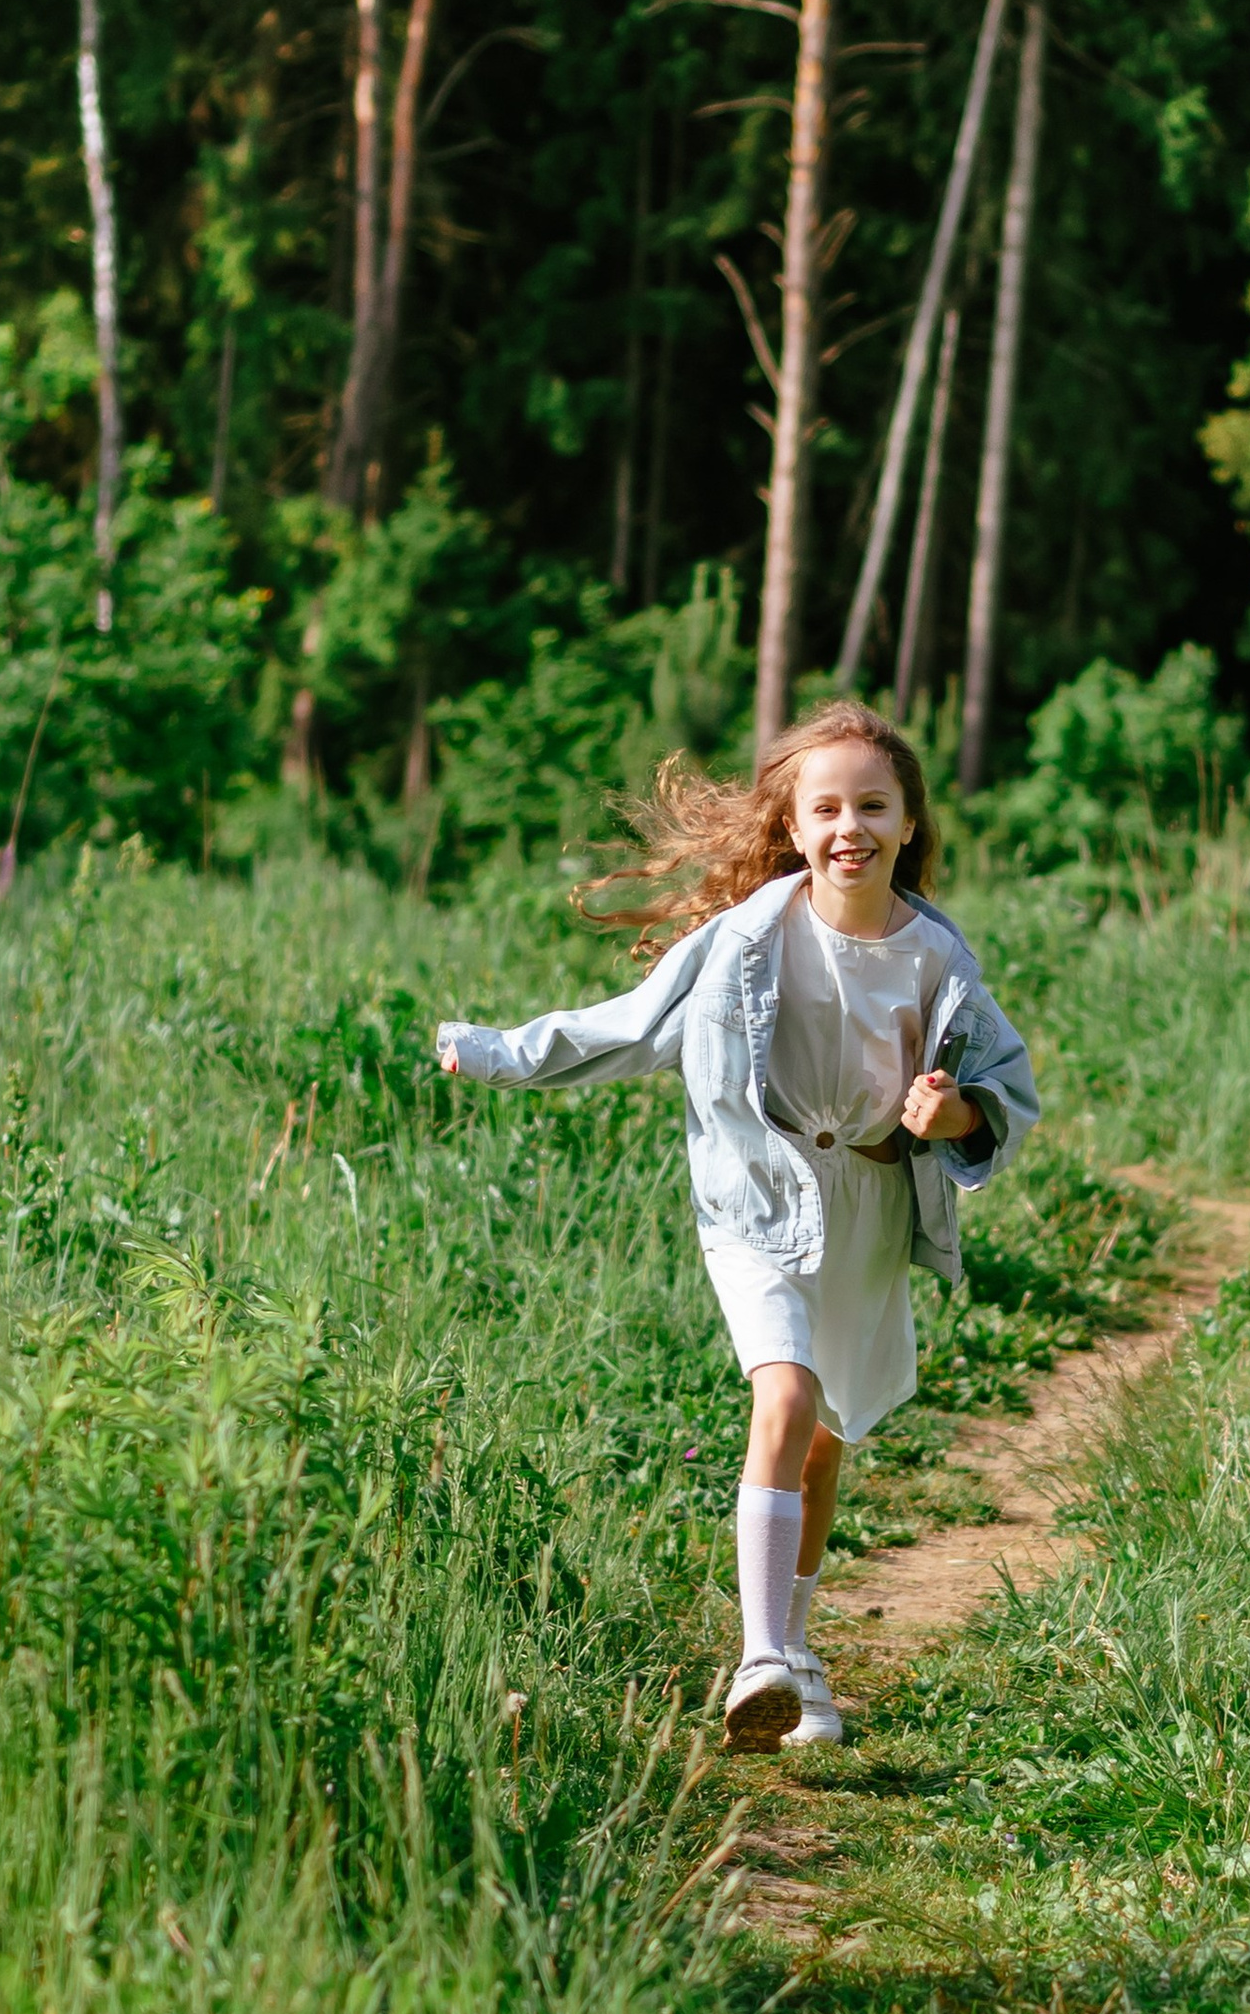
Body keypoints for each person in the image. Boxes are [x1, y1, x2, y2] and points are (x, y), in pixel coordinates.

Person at [438, 699, 1040, 1752]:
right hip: (758, 1196)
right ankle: (760, 1656)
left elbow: (1005, 1090)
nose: (849, 825)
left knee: (824, 1443)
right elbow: (627, 1030)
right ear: (796, 829)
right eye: (826, 809)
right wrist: (495, 1051)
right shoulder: (745, 940)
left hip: (868, 1203)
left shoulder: (939, 959)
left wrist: (957, 1115)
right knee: (787, 1395)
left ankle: (797, 1659)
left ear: (907, 825)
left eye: (872, 804)